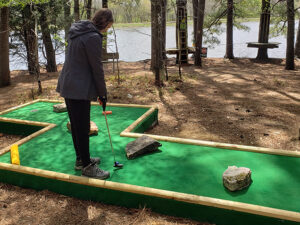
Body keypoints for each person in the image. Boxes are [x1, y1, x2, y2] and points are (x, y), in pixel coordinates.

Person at [56, 9, 114, 180]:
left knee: (76, 125)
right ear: (106, 22)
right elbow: (96, 68)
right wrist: (102, 94)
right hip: (78, 88)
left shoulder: (79, 31)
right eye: (110, 25)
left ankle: (81, 159)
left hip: (69, 85)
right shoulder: (93, 37)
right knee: (82, 127)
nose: (109, 28)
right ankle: (88, 167)